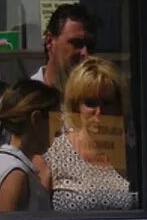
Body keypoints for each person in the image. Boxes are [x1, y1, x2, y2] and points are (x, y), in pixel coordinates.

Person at [46, 57, 136, 211]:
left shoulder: (133, 157)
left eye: (107, 103)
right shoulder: (54, 154)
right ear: (76, 107)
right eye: (90, 103)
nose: (99, 112)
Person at [0, 80, 60, 213]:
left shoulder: (7, 164)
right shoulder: (15, 175)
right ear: (36, 119)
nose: (58, 131)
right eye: (55, 121)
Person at [32, 4, 96, 91]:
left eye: (90, 45)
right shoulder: (26, 99)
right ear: (50, 42)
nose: (85, 53)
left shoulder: (95, 99)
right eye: (76, 43)